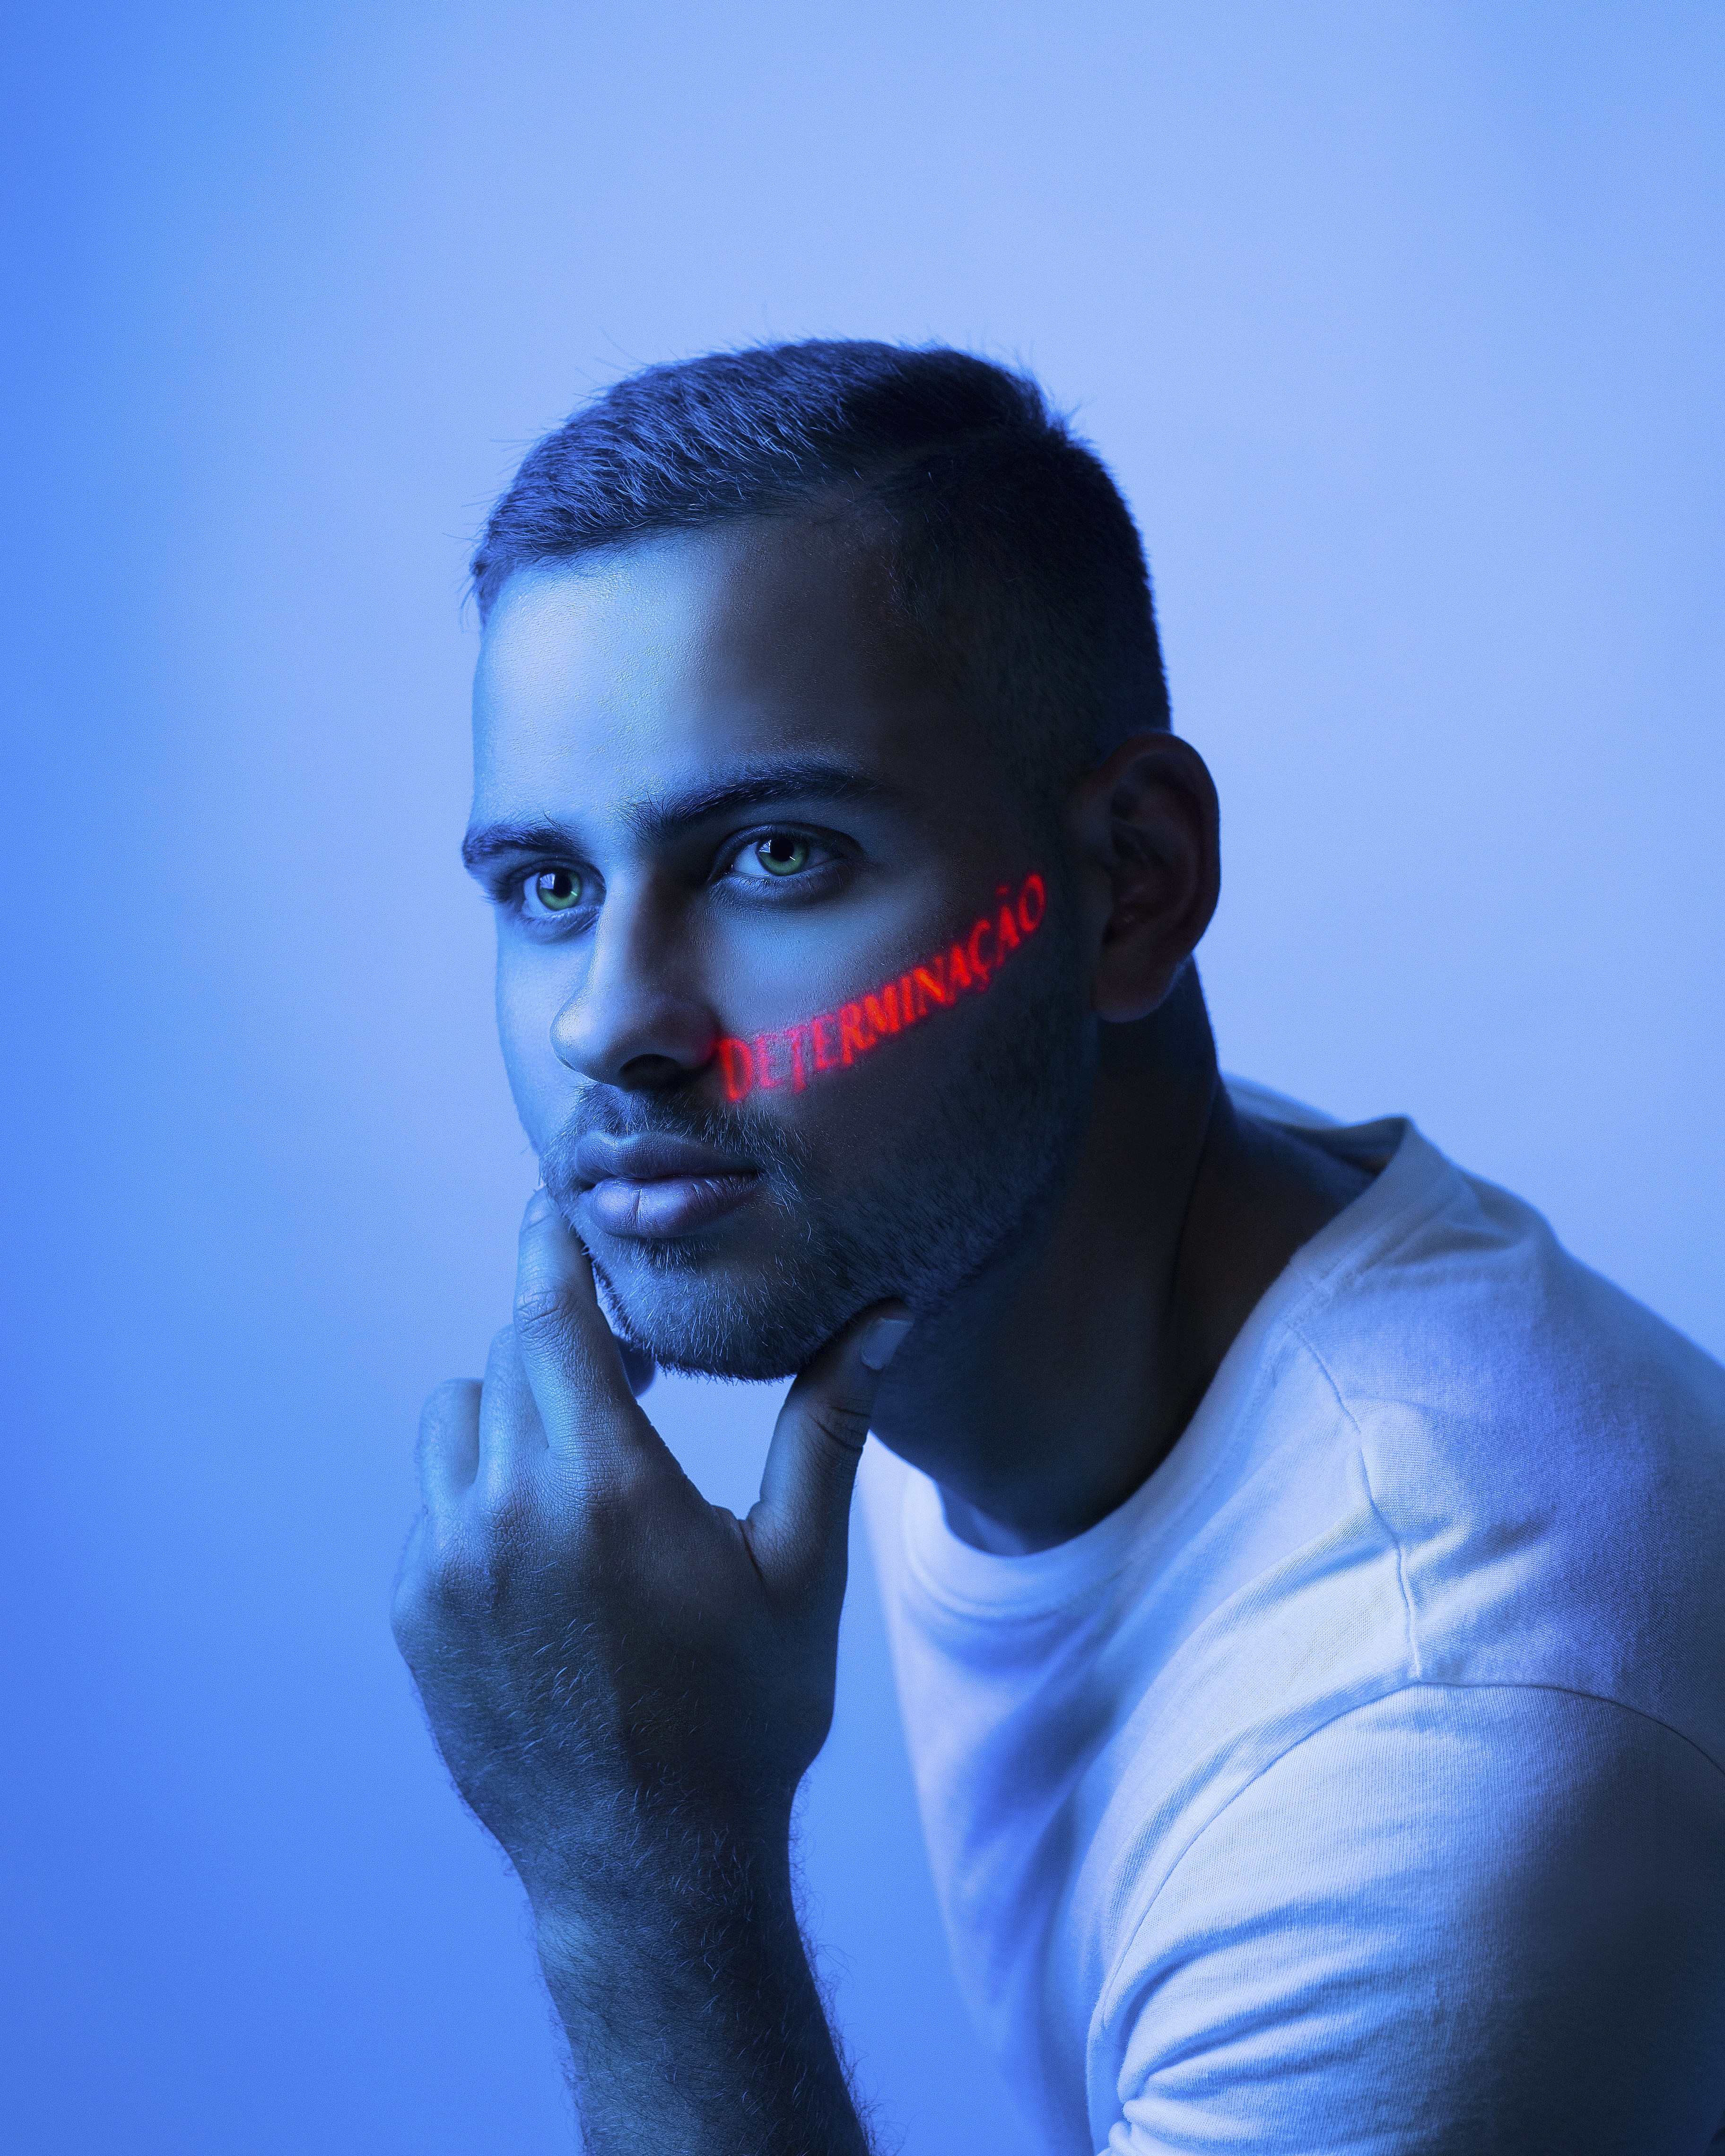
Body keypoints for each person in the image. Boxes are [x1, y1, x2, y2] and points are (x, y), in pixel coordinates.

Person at [390, 341, 1725, 2156]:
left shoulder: (1437, 1741)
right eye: (549, 887)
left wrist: (638, 1876)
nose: (608, 1023)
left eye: (775, 854)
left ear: (1132, 884)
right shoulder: (960, 1255)